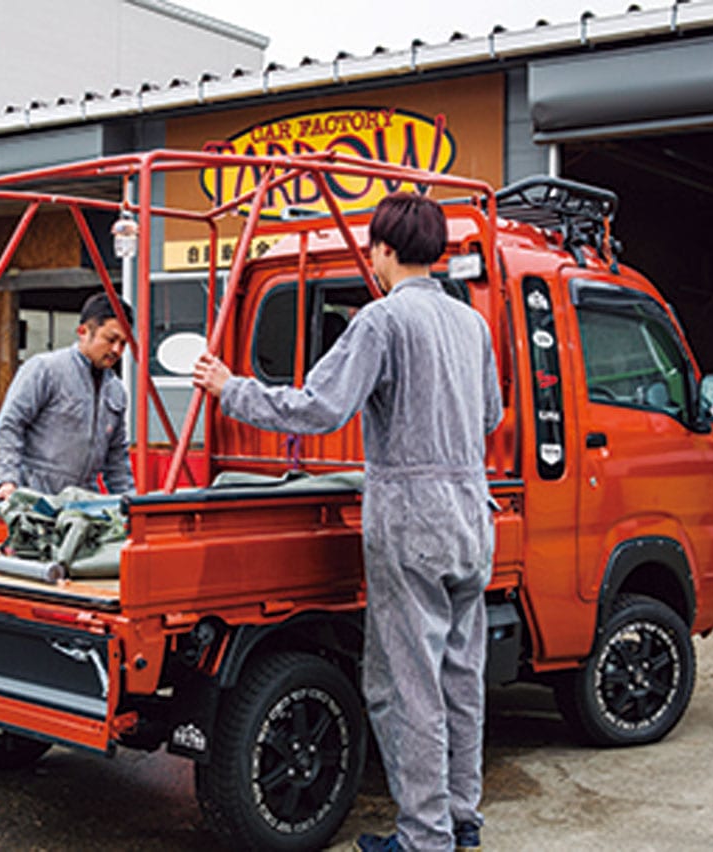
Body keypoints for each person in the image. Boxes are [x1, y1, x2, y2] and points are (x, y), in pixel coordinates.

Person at [192, 192, 502, 852]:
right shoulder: (471, 324)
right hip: (473, 519)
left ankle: (425, 838)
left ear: (385, 250)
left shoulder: (383, 322)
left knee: (405, 687)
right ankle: (461, 819)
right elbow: (490, 418)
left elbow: (319, 407)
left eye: (373, 249)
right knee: (460, 678)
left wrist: (230, 389)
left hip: (412, 522)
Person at [0, 293, 135, 500]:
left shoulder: (116, 390)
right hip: (34, 499)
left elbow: (116, 457)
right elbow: (11, 425)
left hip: (82, 503)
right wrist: (7, 481)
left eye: (123, 343)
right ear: (83, 331)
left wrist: (129, 500)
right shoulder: (45, 370)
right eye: (111, 339)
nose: (117, 350)